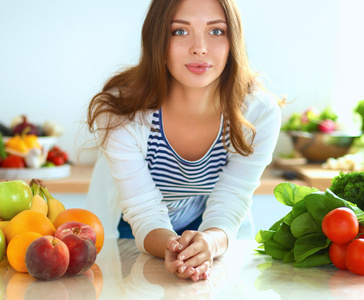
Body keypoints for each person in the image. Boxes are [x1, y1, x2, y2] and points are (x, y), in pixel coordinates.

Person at [86, 0, 281, 281]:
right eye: (179, 31)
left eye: (216, 32)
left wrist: (209, 242)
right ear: (157, 41)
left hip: (211, 226)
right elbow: (142, 211)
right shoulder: (123, 112)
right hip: (130, 227)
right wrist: (175, 248)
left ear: (233, 41)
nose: (199, 47)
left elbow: (231, 199)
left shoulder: (257, 112)